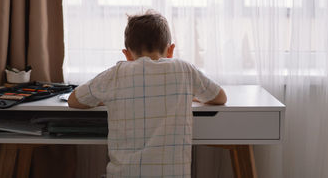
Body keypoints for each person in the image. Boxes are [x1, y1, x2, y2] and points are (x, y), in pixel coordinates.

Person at [68, 10, 227, 178]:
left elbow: (74, 100)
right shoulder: (184, 69)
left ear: (127, 54)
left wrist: (105, 100)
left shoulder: (115, 74)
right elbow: (220, 97)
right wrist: (189, 95)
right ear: (170, 50)